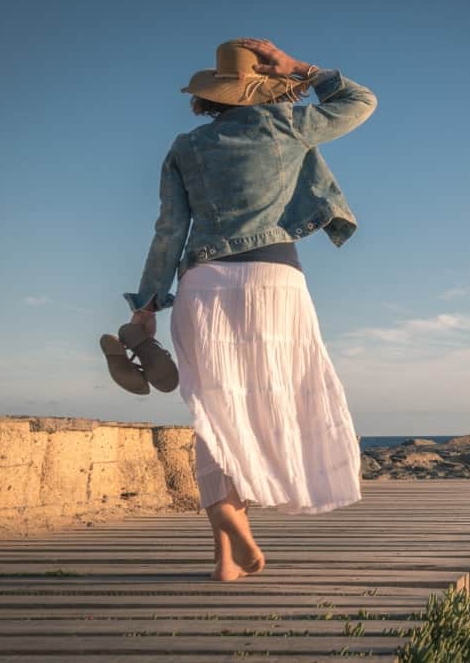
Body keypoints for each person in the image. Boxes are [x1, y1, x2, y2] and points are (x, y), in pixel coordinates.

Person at [122, 38, 377, 581]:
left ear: (212, 94)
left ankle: (226, 553)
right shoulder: (287, 126)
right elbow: (360, 101)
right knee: (270, 402)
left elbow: (169, 231)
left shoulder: (186, 146)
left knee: (214, 415)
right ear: (264, 88)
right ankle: (232, 541)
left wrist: (146, 307)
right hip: (274, 282)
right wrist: (301, 67)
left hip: (203, 285)